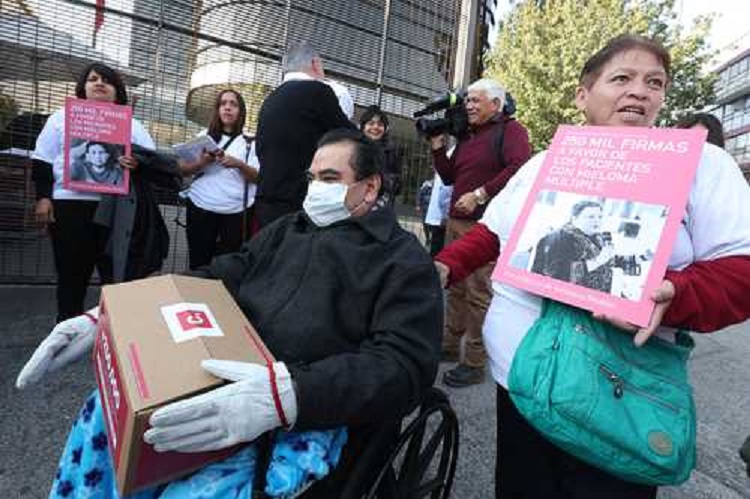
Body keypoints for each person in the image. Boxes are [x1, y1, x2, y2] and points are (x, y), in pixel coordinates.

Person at [17, 128, 443, 498]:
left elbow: (405, 364)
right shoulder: (288, 229)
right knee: (106, 416)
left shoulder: (401, 260)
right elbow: (219, 275)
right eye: (312, 178)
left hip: (309, 409)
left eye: (330, 178)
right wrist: (115, 316)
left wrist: (287, 395)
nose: (316, 189)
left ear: (369, 188)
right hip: (223, 373)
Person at [435, 34, 750, 498]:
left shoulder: (702, 164)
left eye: (655, 82)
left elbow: (740, 269)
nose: (640, 91)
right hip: (519, 381)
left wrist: (678, 293)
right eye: (622, 78)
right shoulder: (543, 163)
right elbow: (494, 234)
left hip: (617, 393)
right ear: (582, 95)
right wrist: (445, 266)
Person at [31, 62, 155, 323]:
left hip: (116, 209)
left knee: (116, 276)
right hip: (69, 206)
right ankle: (66, 328)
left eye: (107, 80)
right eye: (93, 79)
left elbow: (151, 159)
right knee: (70, 275)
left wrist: (137, 163)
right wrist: (43, 197)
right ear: (83, 87)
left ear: (117, 90)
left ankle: (116, 332)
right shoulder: (60, 117)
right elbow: (42, 159)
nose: (99, 83)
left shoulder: (132, 124)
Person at [430, 77, 532, 387]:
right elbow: (449, 177)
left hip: (484, 227)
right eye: (468, 101)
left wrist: (481, 194)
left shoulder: (512, 131)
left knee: (478, 295)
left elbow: (519, 168)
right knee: (456, 290)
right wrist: (437, 149)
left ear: (496, 104)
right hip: (457, 221)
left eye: (476, 100)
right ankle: (449, 345)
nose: (469, 106)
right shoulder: (468, 136)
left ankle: (474, 362)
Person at [255, 40, 354, 228]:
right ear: (315, 64)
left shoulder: (271, 99)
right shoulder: (318, 91)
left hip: (266, 198)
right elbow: (348, 136)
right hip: (298, 201)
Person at [179, 89, 260, 269]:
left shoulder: (250, 142)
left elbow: (259, 178)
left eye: (233, 104)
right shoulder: (203, 137)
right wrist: (202, 162)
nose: (227, 108)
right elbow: (182, 169)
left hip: (235, 212)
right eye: (223, 104)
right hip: (200, 207)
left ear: (241, 111)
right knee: (198, 263)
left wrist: (239, 164)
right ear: (217, 109)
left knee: (229, 267)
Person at [530, 200, 615, 293]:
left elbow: (604, 260)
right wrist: (598, 261)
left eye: (600, 217)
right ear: (574, 218)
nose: (597, 221)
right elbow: (557, 276)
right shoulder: (560, 238)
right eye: (591, 217)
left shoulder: (594, 237)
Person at [359, 105, 402, 206]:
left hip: (382, 203)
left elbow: (398, 182)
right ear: (363, 127)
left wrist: (383, 181)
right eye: (371, 123)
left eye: (380, 124)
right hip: (356, 201)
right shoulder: (353, 147)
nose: (375, 127)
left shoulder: (391, 150)